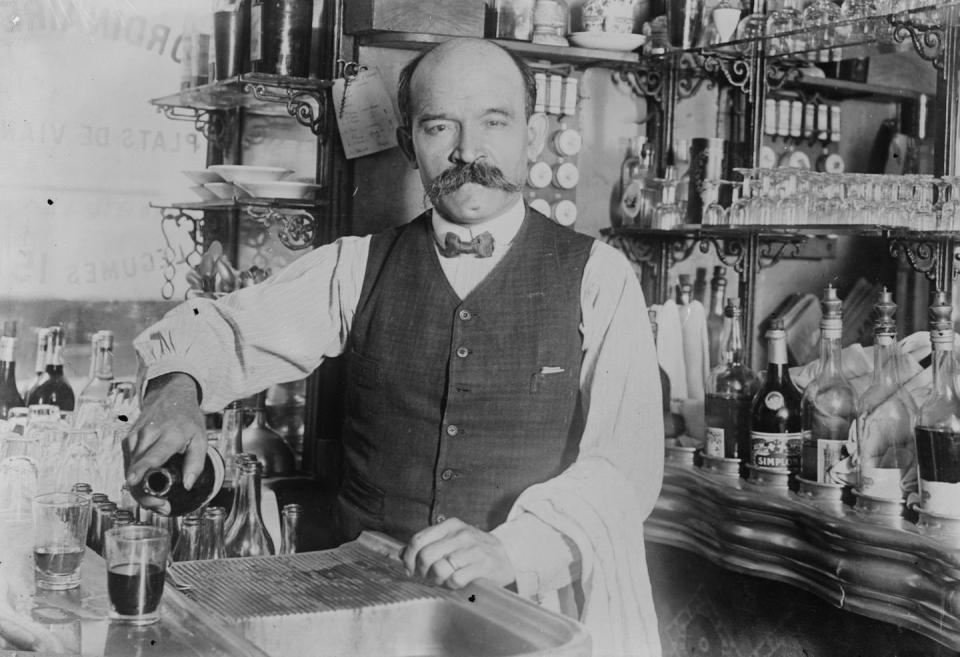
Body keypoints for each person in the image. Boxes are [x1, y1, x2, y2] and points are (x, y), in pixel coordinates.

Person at [126, 37, 664, 656]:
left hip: (522, 617)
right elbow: (223, 329)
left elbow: (623, 470)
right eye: (440, 127)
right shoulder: (354, 267)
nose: (468, 151)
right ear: (410, 143)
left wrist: (511, 548)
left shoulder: (599, 276)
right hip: (364, 612)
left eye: (495, 122)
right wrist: (177, 387)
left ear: (533, 135)